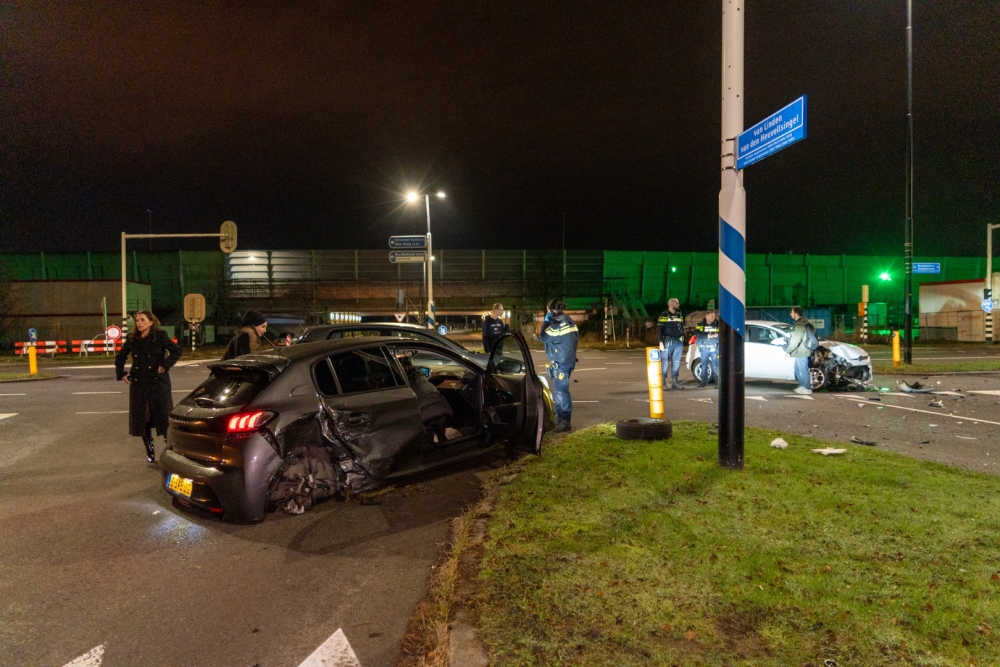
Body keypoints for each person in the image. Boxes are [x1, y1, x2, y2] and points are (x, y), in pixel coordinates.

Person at [115, 311, 182, 464]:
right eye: (137, 320)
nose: (139, 323)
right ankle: (149, 449)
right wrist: (122, 374)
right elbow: (120, 357)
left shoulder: (160, 336)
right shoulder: (132, 338)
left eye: (142, 320)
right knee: (142, 417)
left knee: (163, 416)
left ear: (151, 322)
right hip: (139, 383)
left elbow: (177, 351)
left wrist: (165, 365)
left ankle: (170, 449)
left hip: (158, 382)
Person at [539, 299, 578, 433]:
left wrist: (545, 322)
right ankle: (559, 417)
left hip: (562, 362)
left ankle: (565, 421)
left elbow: (543, 337)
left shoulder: (556, 325)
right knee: (559, 390)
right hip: (567, 360)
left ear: (551, 311)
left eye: (548, 311)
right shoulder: (569, 320)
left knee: (561, 391)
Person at [784, 306, 817, 395]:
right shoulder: (803, 323)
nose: (790, 314)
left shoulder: (800, 325)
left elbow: (795, 341)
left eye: (791, 312)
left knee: (803, 370)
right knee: (798, 370)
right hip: (800, 351)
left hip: (802, 351)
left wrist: (787, 350)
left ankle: (807, 388)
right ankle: (802, 386)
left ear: (796, 313)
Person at [657, 298, 685, 389]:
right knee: (665, 362)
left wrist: (683, 337)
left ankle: (674, 381)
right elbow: (660, 330)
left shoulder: (679, 315)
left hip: (678, 341)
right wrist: (661, 342)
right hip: (668, 341)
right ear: (671, 305)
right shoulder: (664, 315)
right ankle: (663, 382)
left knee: (676, 362)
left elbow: (681, 327)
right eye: (677, 303)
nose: (678, 305)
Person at [695, 311, 720, 387]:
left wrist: (716, 335)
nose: (713, 318)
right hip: (704, 348)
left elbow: (722, 333)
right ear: (707, 316)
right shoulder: (700, 325)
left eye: (714, 316)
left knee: (716, 366)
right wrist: (707, 336)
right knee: (704, 365)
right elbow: (697, 333)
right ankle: (703, 382)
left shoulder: (718, 324)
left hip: (714, 348)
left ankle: (717, 382)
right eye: (711, 316)